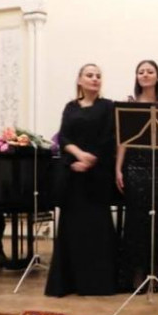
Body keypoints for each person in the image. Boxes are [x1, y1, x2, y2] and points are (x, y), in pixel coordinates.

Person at [45, 63, 118, 297]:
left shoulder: (108, 106)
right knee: (73, 228)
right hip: (73, 174)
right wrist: (79, 155)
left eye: (98, 75)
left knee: (96, 228)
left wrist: (91, 159)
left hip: (98, 175)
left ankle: (97, 283)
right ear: (80, 80)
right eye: (90, 75)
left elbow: (109, 137)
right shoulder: (70, 107)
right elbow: (64, 136)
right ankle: (70, 283)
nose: (95, 79)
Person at [115, 60, 158, 291]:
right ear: (137, 77)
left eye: (149, 71)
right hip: (134, 165)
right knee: (136, 218)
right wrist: (118, 168)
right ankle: (136, 271)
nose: (145, 75)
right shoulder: (129, 103)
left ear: (157, 76)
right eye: (141, 72)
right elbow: (123, 140)